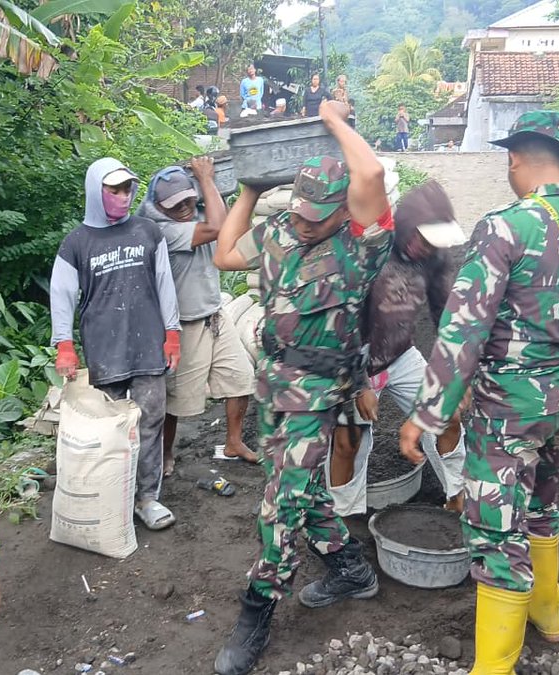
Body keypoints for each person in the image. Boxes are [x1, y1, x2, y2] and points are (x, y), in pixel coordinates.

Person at [399, 111, 559, 674]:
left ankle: (493, 668)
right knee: (544, 502)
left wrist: (427, 414)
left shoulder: (506, 227)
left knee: (496, 531)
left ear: (516, 158)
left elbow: (464, 329)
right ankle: (549, 616)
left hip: (510, 410)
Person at [211, 100, 393, 675]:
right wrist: (249, 189)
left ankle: (256, 611)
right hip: (273, 381)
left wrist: (333, 118)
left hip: (319, 391)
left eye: (318, 214)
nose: (304, 221)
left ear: (345, 212)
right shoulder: (279, 231)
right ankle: (350, 568)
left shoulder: (362, 246)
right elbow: (223, 254)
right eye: (299, 209)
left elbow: (370, 175)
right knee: (293, 488)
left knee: (280, 505)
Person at [50, 158, 183, 531]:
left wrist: (172, 333)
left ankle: (147, 499)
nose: (123, 198)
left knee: (150, 422)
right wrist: (64, 344)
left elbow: (164, 284)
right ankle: (112, 497)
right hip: (104, 350)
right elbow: (62, 295)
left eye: (127, 190)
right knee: (107, 430)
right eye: (114, 190)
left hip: (148, 348)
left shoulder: (147, 232)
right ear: (96, 191)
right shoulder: (77, 242)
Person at [328, 180, 470, 517]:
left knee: (448, 415)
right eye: (422, 238)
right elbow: (342, 324)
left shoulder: (434, 259)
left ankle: (457, 496)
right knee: (349, 442)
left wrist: (455, 373)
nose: (426, 247)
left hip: (400, 354)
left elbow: (445, 315)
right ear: (407, 225)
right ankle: (343, 519)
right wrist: (361, 383)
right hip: (352, 358)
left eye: (433, 242)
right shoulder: (369, 250)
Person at [135, 157, 259, 477]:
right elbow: (220, 228)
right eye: (175, 204)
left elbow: (230, 227)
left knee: (241, 379)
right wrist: (206, 179)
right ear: (158, 206)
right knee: (176, 401)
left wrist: (206, 188)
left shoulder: (199, 212)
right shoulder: (162, 231)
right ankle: (164, 454)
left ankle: (233, 442)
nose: (185, 208)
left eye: (189, 200)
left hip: (215, 316)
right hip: (184, 327)